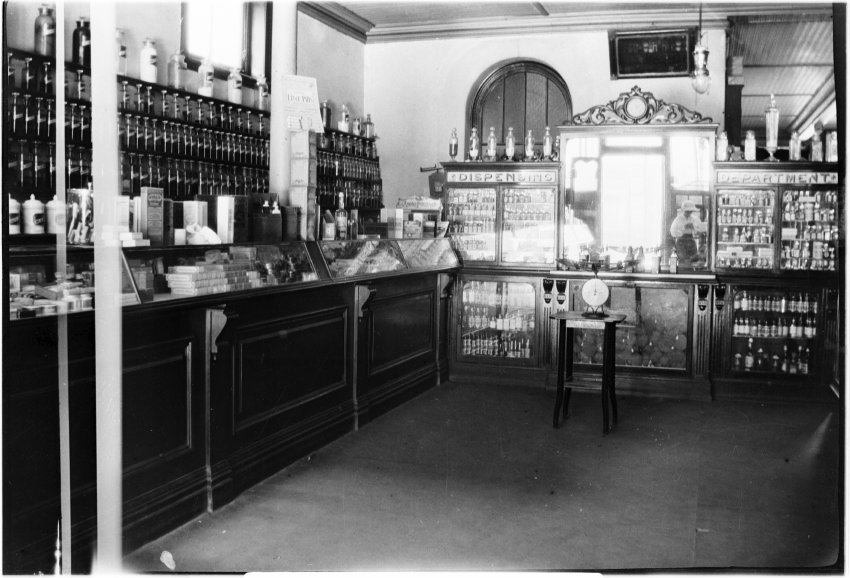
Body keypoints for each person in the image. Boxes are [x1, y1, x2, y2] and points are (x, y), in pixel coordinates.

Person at [669, 200, 707, 266]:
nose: (689, 212)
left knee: (692, 260)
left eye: (690, 211)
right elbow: (673, 232)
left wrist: (694, 228)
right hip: (681, 243)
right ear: (683, 210)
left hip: (691, 241)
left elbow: (701, 230)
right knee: (682, 262)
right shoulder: (678, 219)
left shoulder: (695, 219)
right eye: (687, 211)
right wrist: (683, 229)